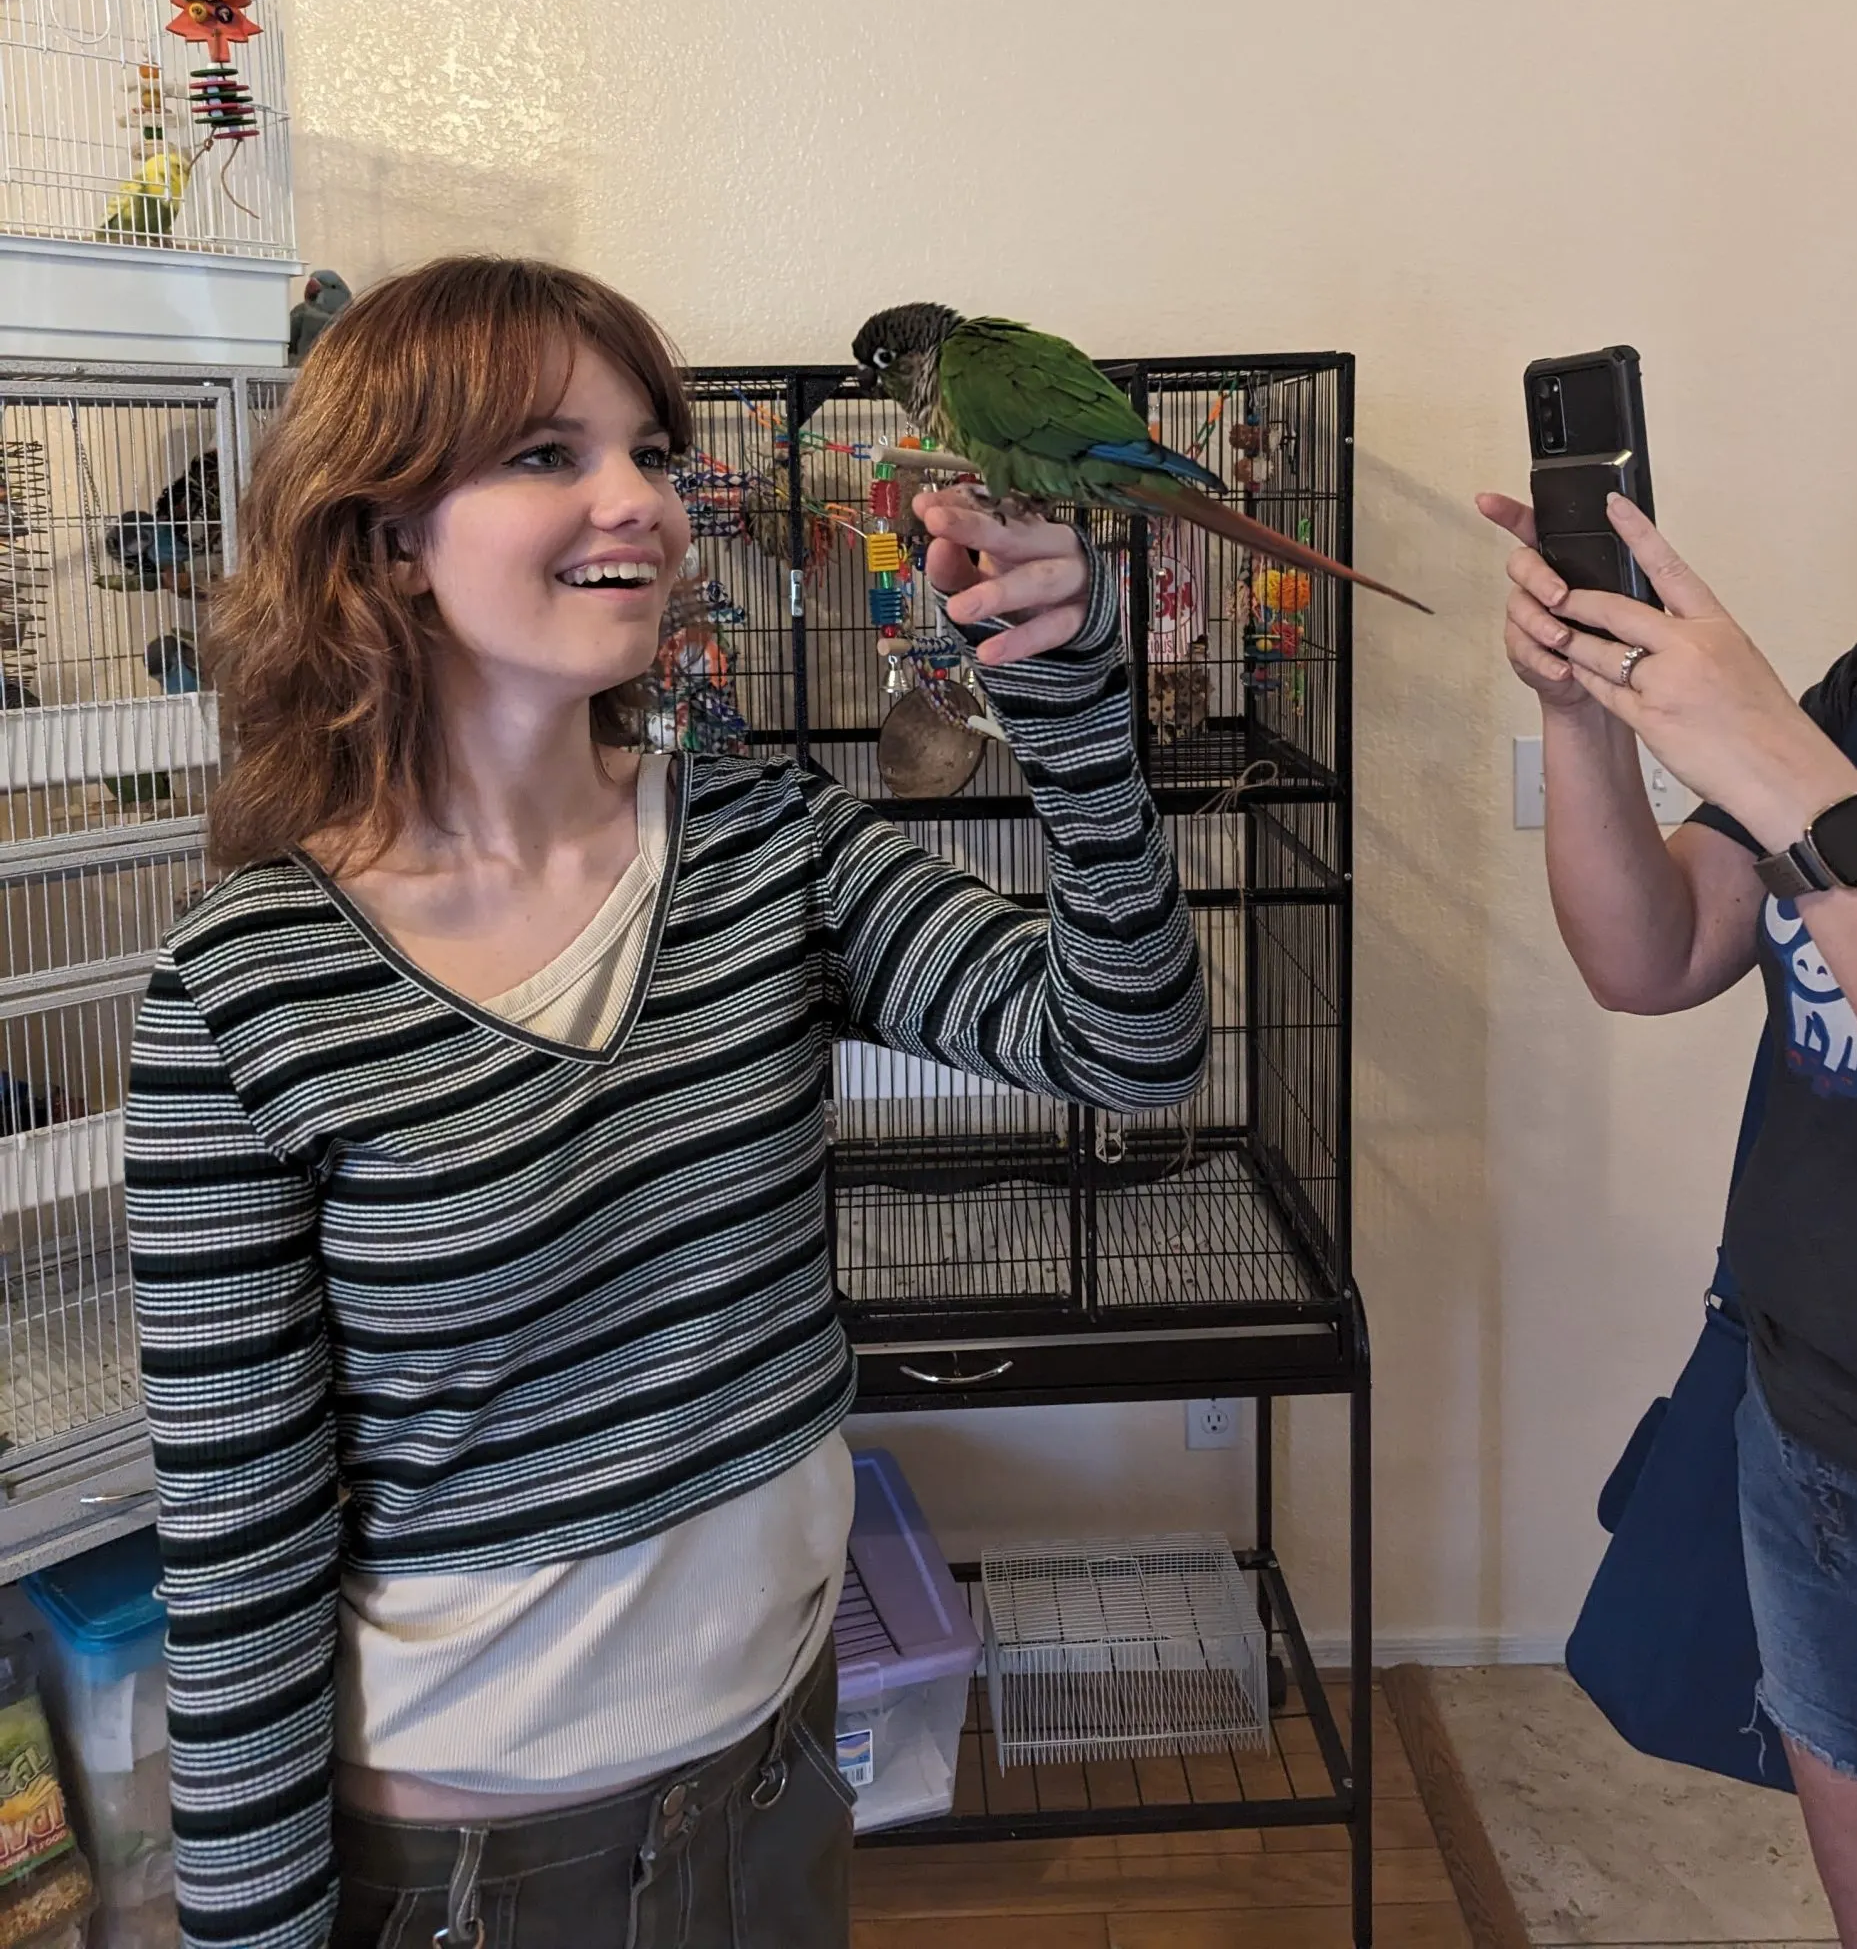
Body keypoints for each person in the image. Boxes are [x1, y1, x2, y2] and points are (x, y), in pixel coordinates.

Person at [124, 255, 1206, 1949]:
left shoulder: (765, 845)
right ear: (384, 529)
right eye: (548, 454)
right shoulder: (245, 984)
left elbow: (1129, 1042)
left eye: (650, 447)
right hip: (482, 1873)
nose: (639, 497)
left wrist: (1067, 698)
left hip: (784, 1775)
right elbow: (238, 1544)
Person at [1479, 302, 1857, 1949]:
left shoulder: (1820, 751)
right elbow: (1650, 951)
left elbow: (1817, 842)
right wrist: (1587, 713)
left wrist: (1800, 786)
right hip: (1805, 1440)